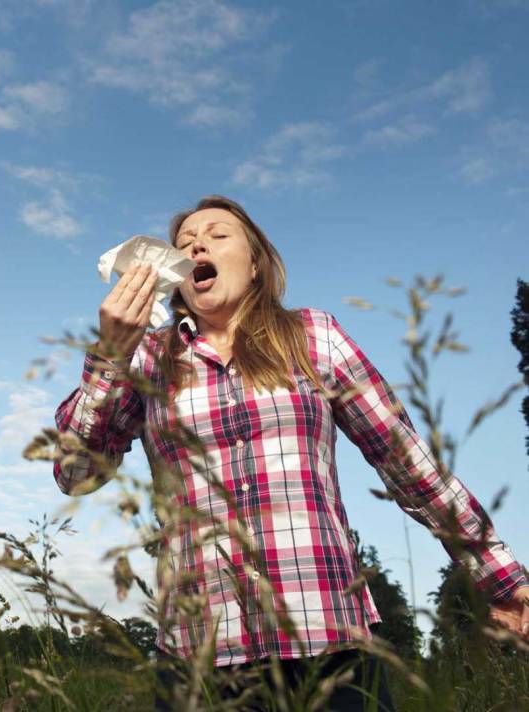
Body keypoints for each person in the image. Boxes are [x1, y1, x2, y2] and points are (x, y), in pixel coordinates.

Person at [52, 195, 528, 711]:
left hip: (328, 640)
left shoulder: (313, 337)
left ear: (255, 263)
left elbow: (409, 465)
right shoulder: (148, 357)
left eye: (217, 234)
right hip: (201, 654)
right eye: (185, 242)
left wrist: (499, 577)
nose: (196, 244)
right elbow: (75, 473)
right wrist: (110, 356)